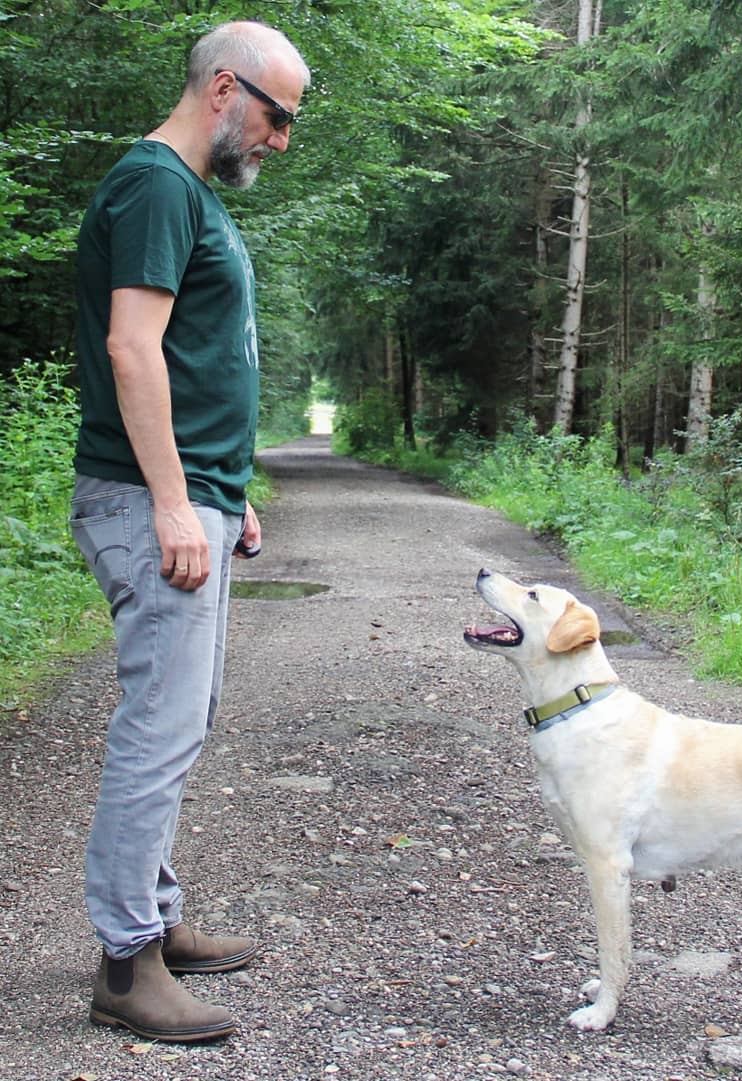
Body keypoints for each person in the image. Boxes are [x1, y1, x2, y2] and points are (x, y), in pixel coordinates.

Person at [70, 21, 309, 1042]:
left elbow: (203, 359)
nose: (282, 140)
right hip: (145, 500)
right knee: (158, 730)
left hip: (192, 490)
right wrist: (174, 499)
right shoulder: (158, 187)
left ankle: (154, 920)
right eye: (278, 116)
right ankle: (126, 963)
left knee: (183, 721)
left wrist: (223, 484)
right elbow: (134, 350)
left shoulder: (186, 193)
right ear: (225, 88)